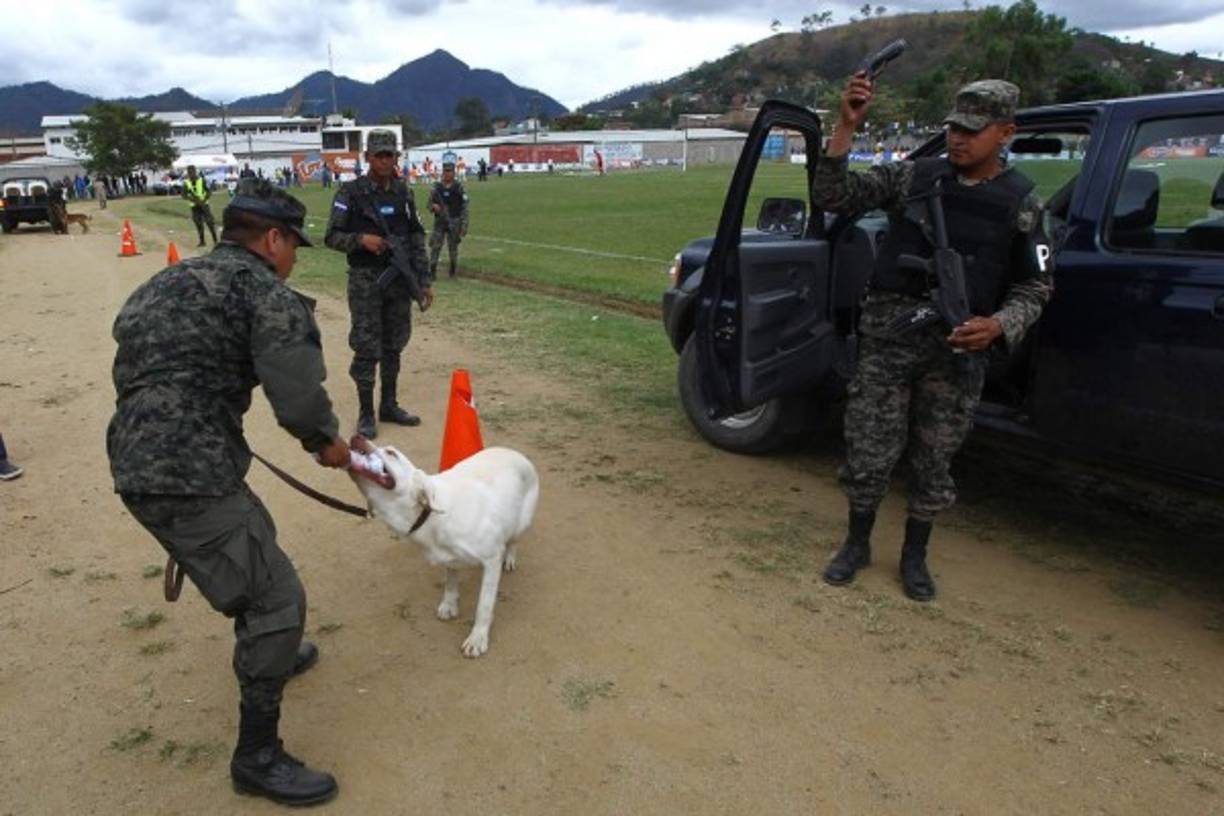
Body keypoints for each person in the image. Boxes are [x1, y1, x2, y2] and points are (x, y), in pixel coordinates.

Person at [107, 179, 348, 806]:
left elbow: (131, 350)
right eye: (293, 243)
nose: (294, 256)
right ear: (273, 239)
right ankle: (257, 757)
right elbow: (295, 393)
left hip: (138, 453)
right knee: (275, 597)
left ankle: (275, 652)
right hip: (186, 470)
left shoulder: (165, 282)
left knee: (251, 537)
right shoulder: (263, 292)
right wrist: (328, 443)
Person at [814, 76, 1052, 602]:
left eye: (972, 130)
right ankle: (856, 544)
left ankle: (914, 556)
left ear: (1005, 132)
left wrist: (999, 325)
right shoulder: (913, 178)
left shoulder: (1022, 202)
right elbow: (832, 195)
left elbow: (1035, 285)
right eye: (953, 128)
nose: (957, 139)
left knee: (934, 455)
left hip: (957, 349)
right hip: (889, 339)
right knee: (870, 446)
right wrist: (846, 128)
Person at [324, 128, 433, 439]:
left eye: (390, 155)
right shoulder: (351, 193)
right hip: (365, 283)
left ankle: (388, 404)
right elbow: (331, 236)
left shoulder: (403, 193)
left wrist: (423, 281)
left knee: (394, 344)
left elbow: (415, 239)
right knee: (367, 345)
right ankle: (366, 413)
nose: (385, 161)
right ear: (368, 157)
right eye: (379, 155)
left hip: (399, 282)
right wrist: (361, 240)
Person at [427, 160, 469, 280]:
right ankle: (432, 270)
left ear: (454, 172)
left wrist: (464, 225)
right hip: (440, 222)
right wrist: (433, 207)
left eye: (450, 171)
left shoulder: (459, 187)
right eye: (446, 171)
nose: (448, 174)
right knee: (436, 246)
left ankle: (453, 270)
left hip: (454, 221)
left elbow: (465, 207)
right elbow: (429, 204)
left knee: (453, 248)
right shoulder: (436, 187)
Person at [181, 165, 218, 247]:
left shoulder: (202, 180)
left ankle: (215, 240)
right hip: (194, 206)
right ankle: (202, 241)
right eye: (189, 173)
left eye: (192, 172)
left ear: (195, 172)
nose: (191, 174)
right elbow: (183, 195)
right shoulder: (186, 183)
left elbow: (209, 192)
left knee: (210, 222)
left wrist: (204, 200)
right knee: (198, 224)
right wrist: (191, 198)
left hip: (204, 205)